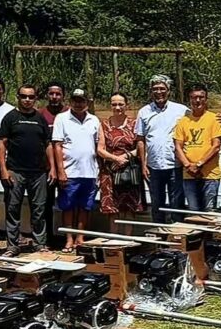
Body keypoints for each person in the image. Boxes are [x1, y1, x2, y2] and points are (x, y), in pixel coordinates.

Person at [0, 85, 56, 256]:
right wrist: (3, 169)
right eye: (24, 96)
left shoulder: (40, 118)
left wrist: (52, 168)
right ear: (18, 97)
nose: (27, 100)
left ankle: (40, 244)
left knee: (39, 209)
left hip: (38, 172)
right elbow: (2, 143)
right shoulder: (10, 118)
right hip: (15, 171)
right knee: (12, 209)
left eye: (31, 97)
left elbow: (48, 144)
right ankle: (12, 246)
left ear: (35, 98)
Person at [135, 74, 188, 223]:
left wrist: (218, 118)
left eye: (162, 88)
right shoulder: (144, 112)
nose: (159, 92)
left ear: (169, 90)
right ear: (151, 91)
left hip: (175, 165)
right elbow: (140, 140)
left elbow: (199, 117)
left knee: (176, 203)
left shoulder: (182, 110)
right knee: (157, 203)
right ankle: (159, 236)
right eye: (155, 89)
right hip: (153, 166)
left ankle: (176, 236)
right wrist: (143, 164)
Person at [52, 89, 100, 252]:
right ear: (70, 101)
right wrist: (61, 171)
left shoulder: (94, 120)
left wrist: (98, 170)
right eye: (75, 100)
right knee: (68, 206)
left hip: (90, 172)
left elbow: (97, 146)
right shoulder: (62, 118)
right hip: (69, 172)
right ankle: (69, 239)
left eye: (82, 100)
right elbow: (57, 145)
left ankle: (80, 237)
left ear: (88, 102)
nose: (78, 104)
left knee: (85, 207)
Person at [97, 93, 144, 235]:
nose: (117, 107)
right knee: (112, 208)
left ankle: (128, 240)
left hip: (130, 170)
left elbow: (141, 146)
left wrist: (126, 156)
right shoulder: (104, 124)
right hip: (110, 170)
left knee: (129, 207)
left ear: (126, 105)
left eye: (121, 104)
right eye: (114, 104)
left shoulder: (135, 123)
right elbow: (100, 149)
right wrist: (115, 159)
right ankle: (114, 240)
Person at [173, 84, 221, 212]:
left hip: (210, 175)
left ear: (206, 99)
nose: (197, 101)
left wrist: (199, 164)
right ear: (189, 100)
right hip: (189, 175)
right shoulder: (183, 121)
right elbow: (178, 147)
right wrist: (188, 165)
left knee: (209, 211)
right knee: (193, 210)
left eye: (201, 97)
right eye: (194, 97)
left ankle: (209, 233)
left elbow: (216, 146)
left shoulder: (214, 119)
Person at [39, 81, 69, 247]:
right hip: (46, 169)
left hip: (67, 167)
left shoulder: (69, 113)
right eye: (51, 93)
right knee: (45, 204)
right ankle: (47, 238)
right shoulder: (40, 114)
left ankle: (69, 238)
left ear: (63, 95)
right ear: (47, 95)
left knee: (68, 204)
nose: (55, 97)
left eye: (58, 94)